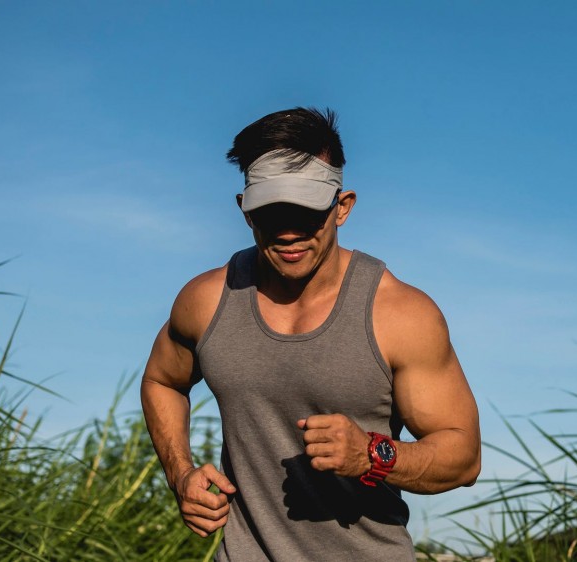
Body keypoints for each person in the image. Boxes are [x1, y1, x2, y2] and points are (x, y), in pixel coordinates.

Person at [141, 107, 481, 561]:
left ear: (342, 207)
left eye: (306, 211)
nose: (288, 232)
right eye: (270, 212)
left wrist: (373, 456)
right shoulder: (207, 301)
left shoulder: (401, 315)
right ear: (244, 211)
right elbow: (162, 381)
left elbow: (463, 457)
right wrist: (179, 473)